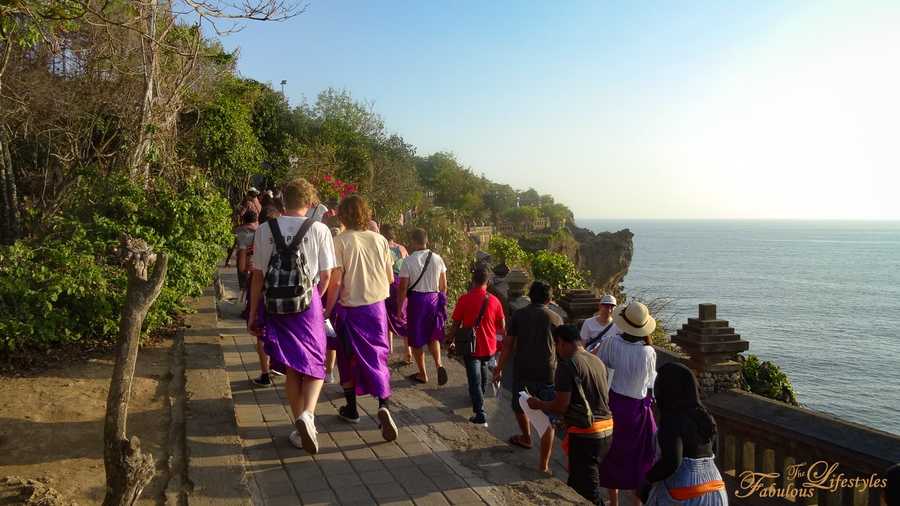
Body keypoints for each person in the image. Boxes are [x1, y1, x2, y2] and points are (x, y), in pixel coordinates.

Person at [248, 177, 335, 454]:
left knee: (291, 366)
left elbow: (258, 276)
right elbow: (327, 275)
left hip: (275, 305)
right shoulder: (320, 229)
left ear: (284, 200)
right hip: (307, 305)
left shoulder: (264, 229)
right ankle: (308, 415)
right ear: (310, 203)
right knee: (316, 364)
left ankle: (300, 424)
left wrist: (253, 313)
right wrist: (316, 299)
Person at [324, 195, 399, 442]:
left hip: (350, 309)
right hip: (376, 308)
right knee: (378, 356)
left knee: (347, 358)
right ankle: (384, 404)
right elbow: (390, 277)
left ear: (342, 215)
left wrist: (326, 309)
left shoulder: (340, 241)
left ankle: (352, 409)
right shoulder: (379, 240)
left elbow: (335, 282)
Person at [528, 324, 613, 504]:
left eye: (557, 345)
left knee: (588, 492)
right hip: (607, 429)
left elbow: (561, 406)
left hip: (587, 434)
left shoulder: (567, 365)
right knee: (577, 483)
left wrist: (538, 404)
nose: (557, 350)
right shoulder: (596, 361)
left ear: (562, 343)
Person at [493, 280, 562, 473]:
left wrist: (499, 369)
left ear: (530, 296)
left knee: (519, 404)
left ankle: (526, 437)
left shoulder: (519, 315)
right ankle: (544, 464)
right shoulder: (556, 319)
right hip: (548, 371)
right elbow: (562, 349)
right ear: (549, 299)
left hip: (523, 368)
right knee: (548, 418)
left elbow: (508, 344)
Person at [596, 301, 659, 506]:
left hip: (614, 405)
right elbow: (650, 383)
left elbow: (600, 369)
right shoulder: (648, 352)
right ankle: (637, 503)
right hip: (639, 409)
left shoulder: (611, 343)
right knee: (640, 458)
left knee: (612, 455)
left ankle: (613, 502)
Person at [642, 362, 727, 506]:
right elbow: (714, 453)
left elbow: (672, 462)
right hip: (717, 489)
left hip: (687, 492)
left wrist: (647, 480)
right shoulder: (705, 417)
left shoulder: (672, 420)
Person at [449, 266, 505, 426]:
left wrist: (449, 339)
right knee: (483, 368)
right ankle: (478, 395)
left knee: (474, 378)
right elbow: (502, 326)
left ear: (473, 281)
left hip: (471, 346)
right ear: (487, 282)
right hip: (489, 346)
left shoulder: (465, 299)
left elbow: (456, 324)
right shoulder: (495, 300)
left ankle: (480, 411)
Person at [397, 228, 449, 385]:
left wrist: (400, 308)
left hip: (417, 302)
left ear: (413, 241)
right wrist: (441, 302)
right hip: (434, 299)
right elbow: (444, 285)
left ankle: (423, 373)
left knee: (417, 339)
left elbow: (403, 288)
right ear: (427, 240)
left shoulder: (409, 261)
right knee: (433, 336)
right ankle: (439, 364)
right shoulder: (437, 258)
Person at [380, 224, 409, 360]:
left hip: (388, 284)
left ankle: (389, 347)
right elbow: (407, 264)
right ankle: (407, 350)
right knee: (403, 316)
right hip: (402, 283)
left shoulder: (382, 248)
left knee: (387, 316)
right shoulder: (402, 248)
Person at [234, 209, 258, 298]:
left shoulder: (239, 231)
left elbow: (242, 252)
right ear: (256, 220)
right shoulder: (260, 230)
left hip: (244, 262)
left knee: (245, 286)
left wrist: (241, 268)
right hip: (257, 264)